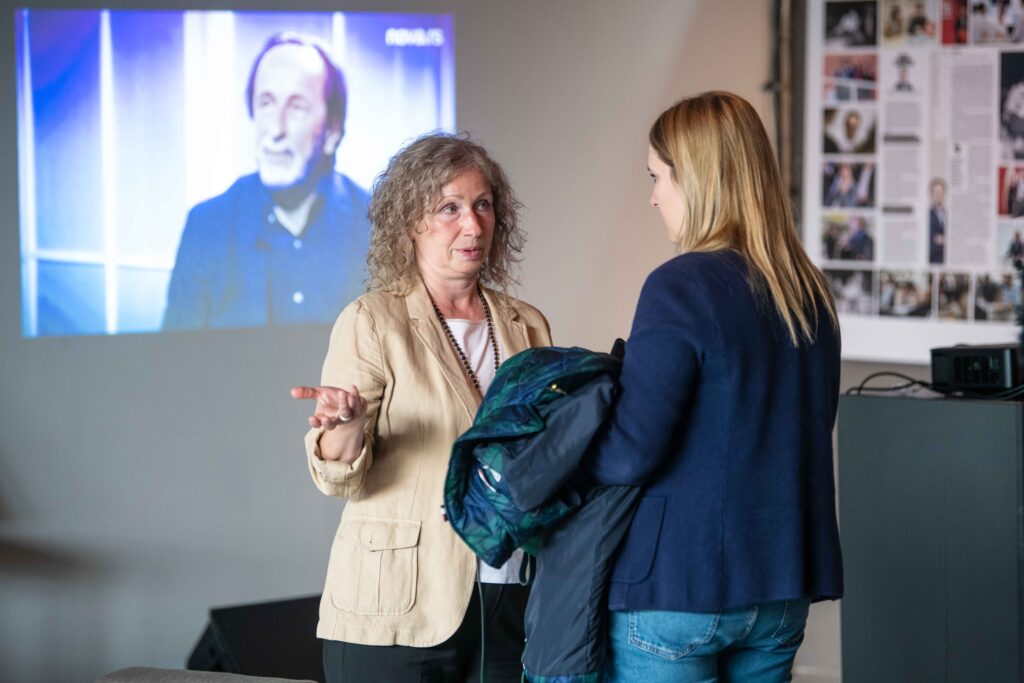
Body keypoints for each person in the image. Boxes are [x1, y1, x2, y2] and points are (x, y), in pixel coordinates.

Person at [584, 91, 843, 682]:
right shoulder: (808, 292)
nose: (652, 197)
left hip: (678, 585)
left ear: (695, 179)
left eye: (658, 178)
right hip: (780, 589)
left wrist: (560, 456)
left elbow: (631, 450)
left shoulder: (679, 285)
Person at [290, 133, 551, 683]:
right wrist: (348, 426)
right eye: (449, 208)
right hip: (398, 606)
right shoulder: (372, 321)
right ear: (410, 223)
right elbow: (336, 476)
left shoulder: (528, 325)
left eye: (483, 205)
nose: (473, 225)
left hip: (510, 597)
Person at [163, 32, 369, 330]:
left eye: (296, 107)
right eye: (266, 103)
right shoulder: (207, 226)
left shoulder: (379, 226)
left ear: (332, 132)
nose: (276, 129)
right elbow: (173, 358)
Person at [929, 178, 947, 264]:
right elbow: (930, 243)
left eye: (940, 192)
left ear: (944, 194)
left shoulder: (950, 215)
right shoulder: (927, 216)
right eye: (936, 192)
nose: (938, 195)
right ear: (931, 195)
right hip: (934, 261)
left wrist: (943, 239)